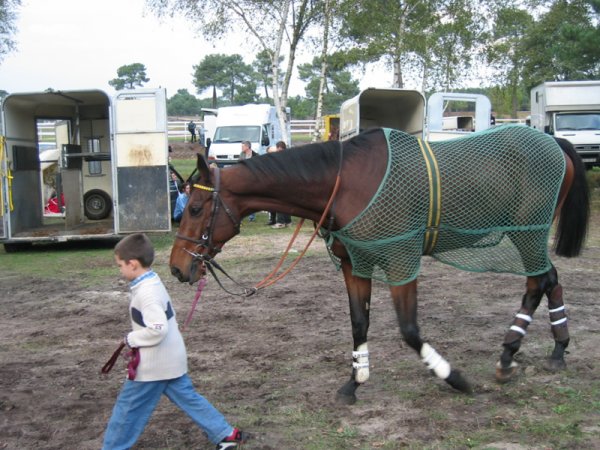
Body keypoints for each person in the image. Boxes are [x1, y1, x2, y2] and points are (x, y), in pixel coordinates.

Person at [102, 233, 247, 450]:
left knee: (127, 410)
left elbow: (157, 329)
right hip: (170, 359)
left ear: (132, 264)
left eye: (120, 265)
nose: (120, 269)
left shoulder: (147, 294)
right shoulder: (151, 280)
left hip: (153, 366)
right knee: (189, 398)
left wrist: (131, 338)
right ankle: (225, 434)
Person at [270, 141, 292, 229]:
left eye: (279, 149)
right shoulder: (288, 157)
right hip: (286, 182)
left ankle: (280, 222)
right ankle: (287, 221)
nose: (278, 151)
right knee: (286, 203)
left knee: (279, 203)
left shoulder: (282, 158)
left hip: (282, 182)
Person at [239, 141, 258, 222]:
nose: (241, 148)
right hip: (243, 178)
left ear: (247, 147)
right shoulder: (242, 154)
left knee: (252, 197)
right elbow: (239, 163)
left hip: (252, 178)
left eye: (243, 146)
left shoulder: (255, 155)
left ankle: (252, 216)